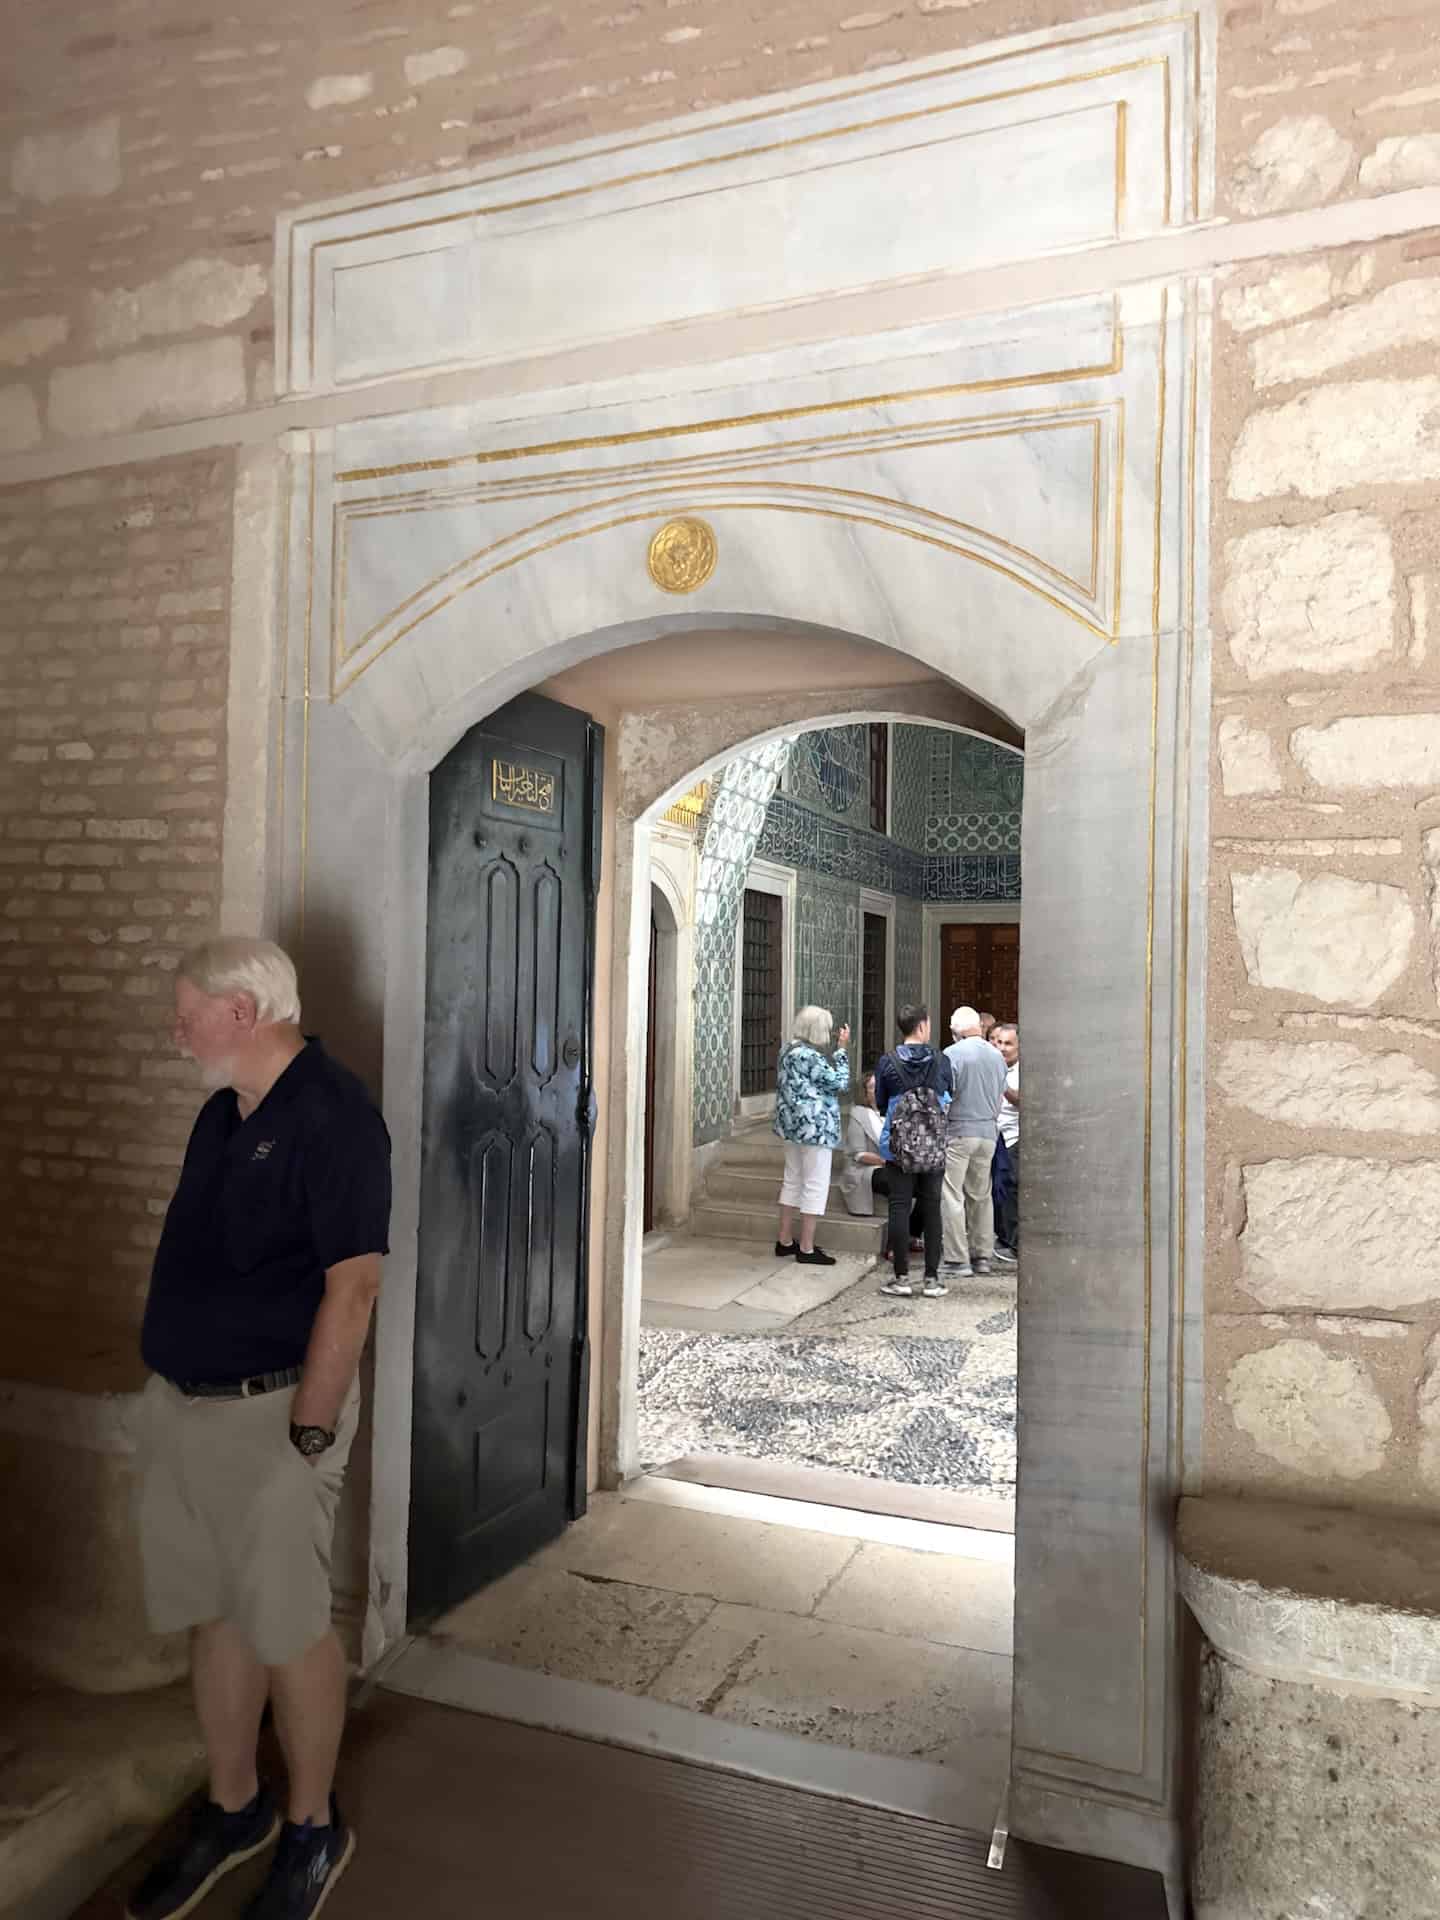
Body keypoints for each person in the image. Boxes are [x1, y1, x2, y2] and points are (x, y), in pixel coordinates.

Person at [127, 937, 391, 1920]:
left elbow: (353, 1288)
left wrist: (310, 1434)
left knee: (288, 1629)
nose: (176, 1026)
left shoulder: (335, 1117)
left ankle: (313, 1826)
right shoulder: (221, 1115)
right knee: (219, 1612)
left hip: (277, 1417)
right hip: (186, 1407)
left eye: (186, 1008)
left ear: (242, 1012)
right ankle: (235, 1806)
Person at [873, 1004, 953, 1298]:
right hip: (933, 1146)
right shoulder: (941, 1060)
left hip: (898, 1147)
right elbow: (948, 1096)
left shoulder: (888, 1062)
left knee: (899, 1206)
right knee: (932, 1208)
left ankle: (901, 1278)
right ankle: (932, 1278)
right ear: (922, 1027)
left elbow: (881, 1102)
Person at [773, 1005, 850, 1267]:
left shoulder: (787, 1050)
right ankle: (806, 1247)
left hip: (791, 1128)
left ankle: (784, 1241)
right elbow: (839, 1083)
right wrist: (841, 1052)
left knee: (792, 1180)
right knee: (815, 1184)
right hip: (815, 1129)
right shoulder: (811, 1057)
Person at [941, 1004, 1007, 1279]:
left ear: (955, 1030)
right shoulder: (997, 1056)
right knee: (981, 1195)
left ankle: (958, 1259)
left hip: (959, 1130)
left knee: (952, 1194)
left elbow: (945, 1096)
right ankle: (983, 1255)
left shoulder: (951, 1054)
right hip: (988, 1132)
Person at [841, 1071, 923, 1257]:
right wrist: (887, 1161)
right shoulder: (859, 1114)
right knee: (900, 1186)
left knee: (928, 1186)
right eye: (873, 1088)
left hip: (898, 1166)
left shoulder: (896, 1110)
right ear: (865, 1092)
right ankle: (893, 1246)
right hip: (867, 1169)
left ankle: (911, 1234)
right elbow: (858, 1154)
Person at [990, 1023, 1021, 1267]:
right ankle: (1003, 1237)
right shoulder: (994, 1067)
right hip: (993, 1136)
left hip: (1014, 1138)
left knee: (1010, 1189)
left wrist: (1001, 1081)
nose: (1002, 1048)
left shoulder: (1021, 1071)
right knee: (997, 1190)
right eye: (998, 1042)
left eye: (1008, 1043)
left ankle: (1016, 1245)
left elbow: (1021, 1100)